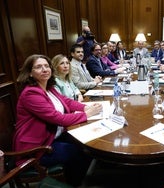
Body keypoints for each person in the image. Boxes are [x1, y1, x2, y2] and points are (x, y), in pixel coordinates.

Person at [13, 54, 103, 186]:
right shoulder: (30, 93)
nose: (44, 69)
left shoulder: (48, 87)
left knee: (86, 145)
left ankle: (83, 178)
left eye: (46, 66)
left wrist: (86, 107)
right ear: (30, 73)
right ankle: (77, 183)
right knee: (76, 152)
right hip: (37, 146)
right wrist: (87, 115)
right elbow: (57, 118)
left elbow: (67, 101)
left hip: (54, 135)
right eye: (38, 67)